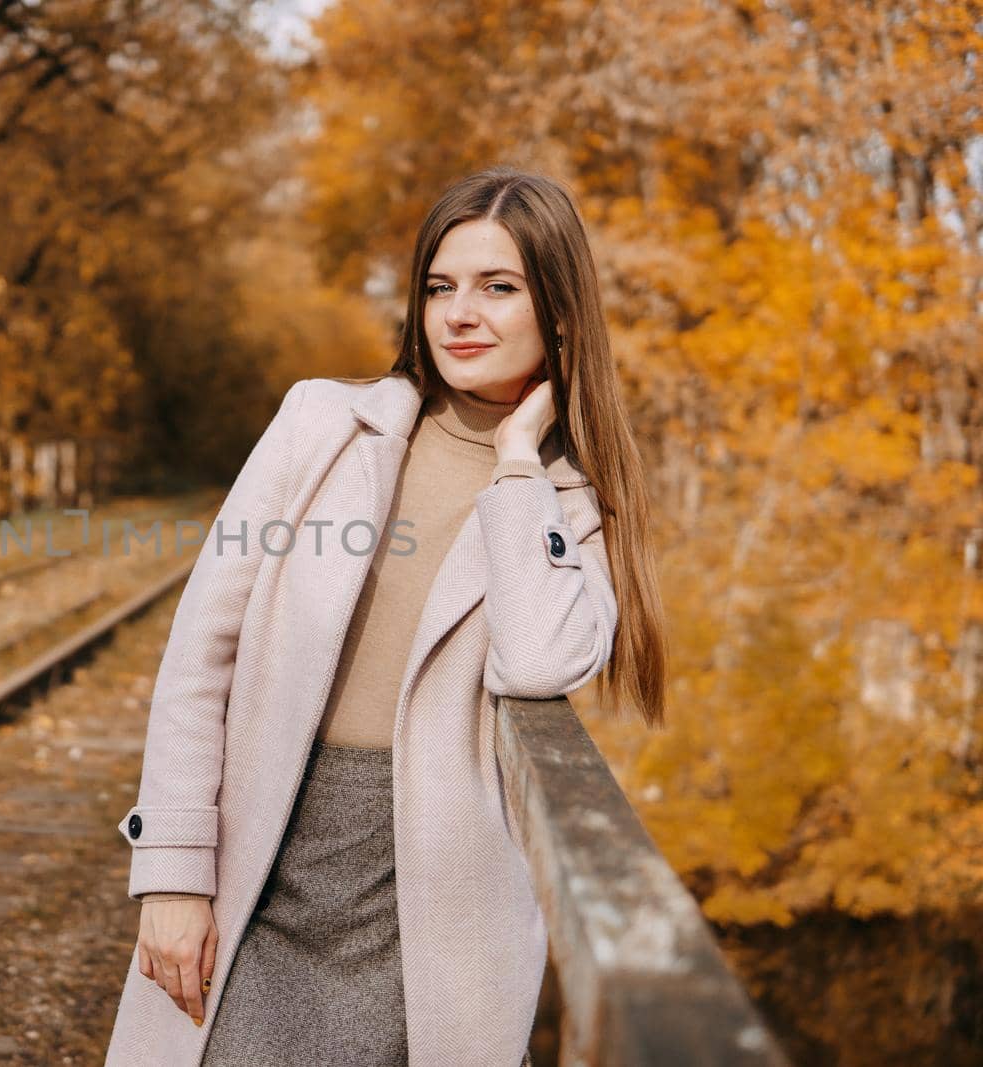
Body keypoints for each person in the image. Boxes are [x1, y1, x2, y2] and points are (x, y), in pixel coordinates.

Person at [103, 166, 667, 1067]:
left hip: (421, 929)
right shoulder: (321, 425)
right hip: (259, 880)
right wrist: (171, 871)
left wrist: (519, 463)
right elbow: (201, 649)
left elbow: (534, 660)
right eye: (441, 287)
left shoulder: (573, 506)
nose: (460, 313)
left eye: (498, 287)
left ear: (560, 313)